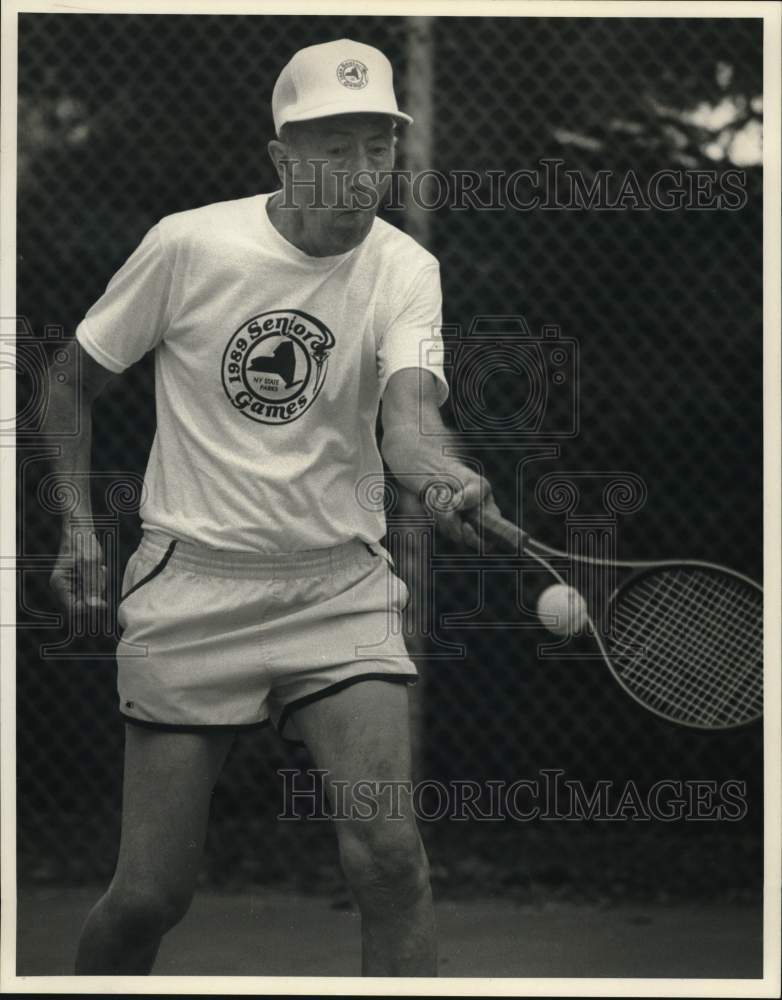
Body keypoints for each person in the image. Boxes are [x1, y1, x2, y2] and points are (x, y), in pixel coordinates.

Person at [46, 37, 500, 977]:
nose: (362, 169)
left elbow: (409, 428)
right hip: (191, 590)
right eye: (334, 146)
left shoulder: (405, 267)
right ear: (282, 158)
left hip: (339, 589)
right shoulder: (189, 245)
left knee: (393, 866)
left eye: (378, 145)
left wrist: (447, 475)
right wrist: (79, 526)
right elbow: (66, 384)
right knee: (148, 898)